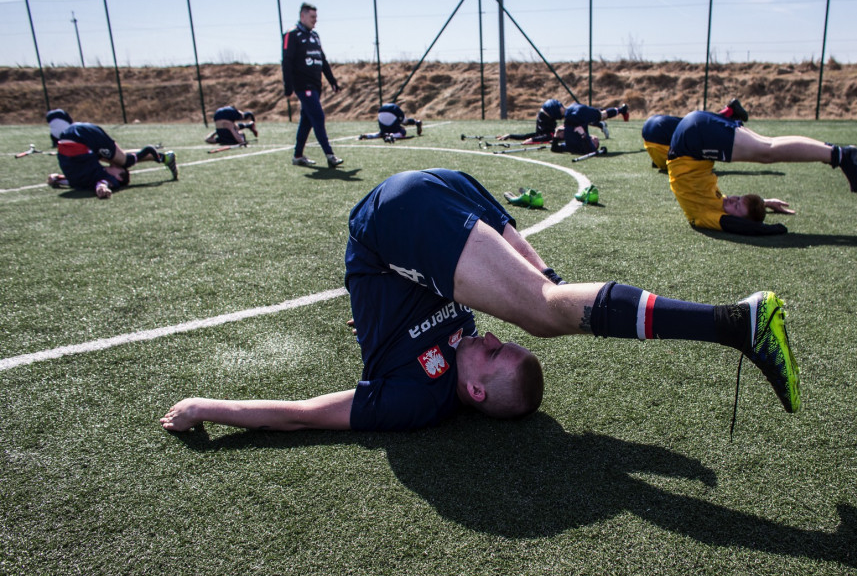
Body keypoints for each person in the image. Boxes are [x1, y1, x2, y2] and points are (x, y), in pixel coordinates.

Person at [161, 168, 800, 434]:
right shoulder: (461, 350)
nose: (488, 336)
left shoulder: (416, 400)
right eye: (499, 341)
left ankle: (736, 324)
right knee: (546, 294)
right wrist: (540, 271)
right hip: (447, 198)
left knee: (547, 315)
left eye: (494, 351)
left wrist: (207, 407)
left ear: (471, 392)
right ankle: (735, 323)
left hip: (396, 224)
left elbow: (305, 413)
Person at [665, 109, 857, 236]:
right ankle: (834, 152)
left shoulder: (704, 216)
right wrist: (765, 203)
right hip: (693, 134)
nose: (733, 199)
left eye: (736, 205)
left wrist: (774, 229)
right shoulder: (716, 203)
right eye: (738, 200)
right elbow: (739, 216)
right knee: (767, 145)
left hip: (692, 142)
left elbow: (741, 226)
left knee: (767, 151)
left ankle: (838, 155)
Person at [45, 122, 177, 199]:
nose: (111, 164)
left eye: (115, 167)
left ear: (119, 177)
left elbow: (69, 180)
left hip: (74, 141)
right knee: (124, 161)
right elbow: (103, 183)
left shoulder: (86, 180)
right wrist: (102, 187)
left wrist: (56, 178)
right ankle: (160, 157)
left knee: (121, 160)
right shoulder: (103, 176)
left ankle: (162, 157)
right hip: (81, 139)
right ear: (118, 179)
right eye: (115, 167)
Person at [282, 2, 342, 168]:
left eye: (316, 17)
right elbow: (286, 61)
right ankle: (330, 155)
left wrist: (333, 82)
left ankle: (298, 156)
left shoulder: (315, 36)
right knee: (318, 116)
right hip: (303, 85)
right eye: (312, 17)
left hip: (316, 85)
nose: (315, 20)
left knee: (307, 120)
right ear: (302, 16)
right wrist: (288, 87)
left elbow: (323, 60)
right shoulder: (292, 34)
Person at [643, 99, 748, 172]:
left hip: (653, 133)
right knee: (700, 129)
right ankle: (729, 114)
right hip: (654, 129)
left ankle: (729, 113)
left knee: (699, 129)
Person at [553, 102, 630, 155]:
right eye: (597, 140)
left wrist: (556, 135)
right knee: (600, 115)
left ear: (593, 144)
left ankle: (622, 110)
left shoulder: (573, 147)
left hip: (573, 115)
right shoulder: (583, 139)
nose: (596, 138)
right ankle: (621, 110)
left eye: (596, 141)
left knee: (602, 115)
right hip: (576, 116)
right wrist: (583, 134)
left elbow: (554, 149)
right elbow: (589, 149)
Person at [495, 99, 565, 144]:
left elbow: (547, 136)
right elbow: (539, 135)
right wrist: (511, 136)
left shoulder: (553, 134)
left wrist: (532, 140)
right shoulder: (550, 132)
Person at [357, 103, 423, 142]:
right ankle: (392, 136)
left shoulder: (392, 108)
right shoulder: (398, 111)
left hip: (381, 113)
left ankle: (368, 136)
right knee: (402, 131)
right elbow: (405, 122)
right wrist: (415, 122)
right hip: (390, 112)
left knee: (383, 132)